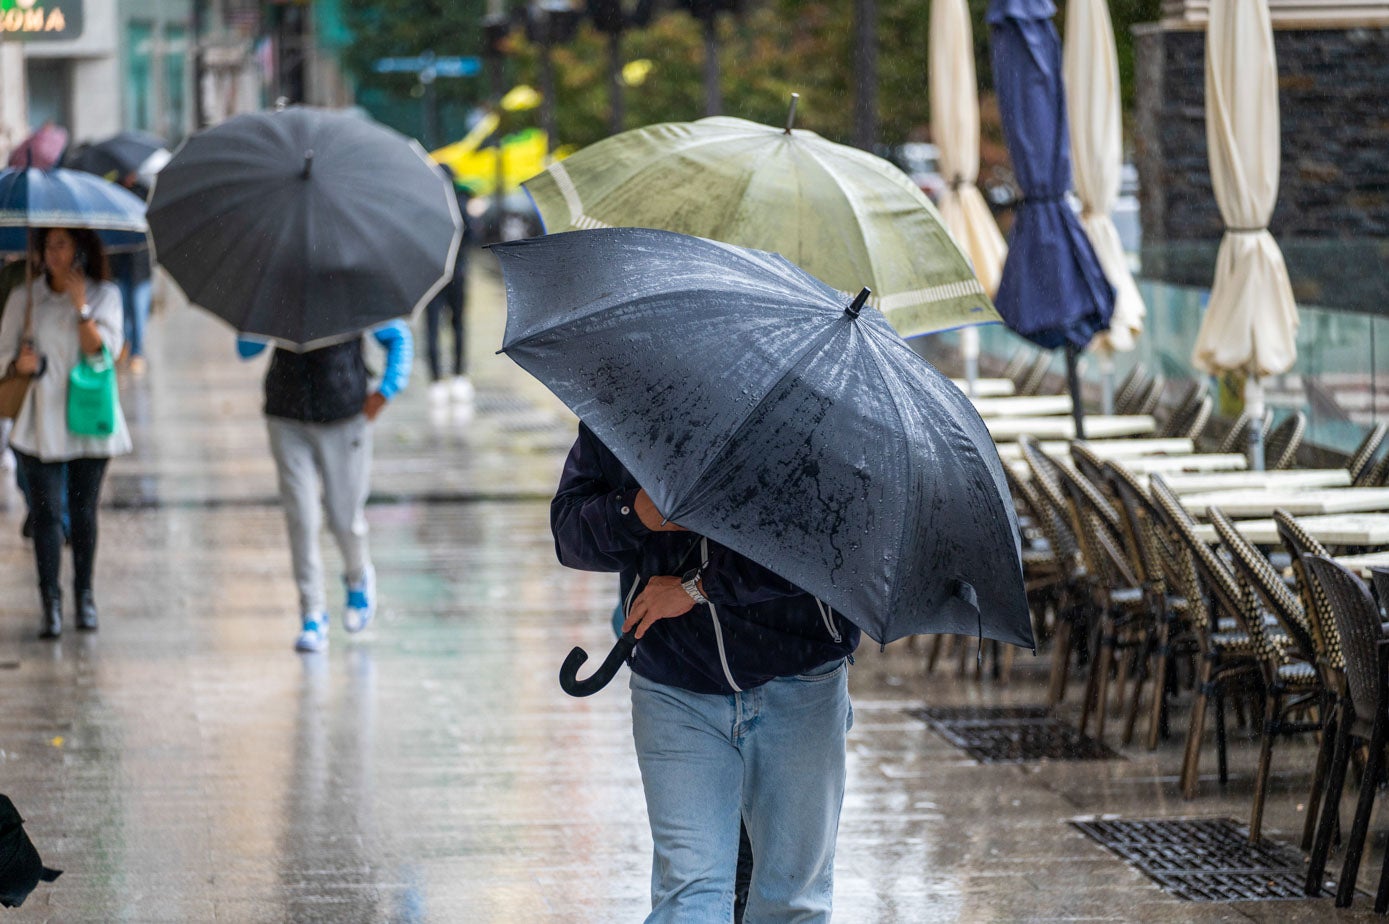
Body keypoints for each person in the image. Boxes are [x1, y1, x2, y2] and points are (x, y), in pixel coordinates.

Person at [551, 422, 859, 923]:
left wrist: (699, 586)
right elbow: (569, 534)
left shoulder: (813, 411)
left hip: (800, 678)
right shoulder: (626, 405)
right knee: (688, 896)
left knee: (791, 901)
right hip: (674, 683)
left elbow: (828, 540)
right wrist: (638, 513)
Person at [237, 320, 412, 652]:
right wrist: (267, 321)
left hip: (345, 415)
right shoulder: (276, 286)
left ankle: (358, 576)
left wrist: (386, 390)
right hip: (286, 417)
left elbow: (398, 338)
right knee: (302, 519)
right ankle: (312, 613)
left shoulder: (353, 283)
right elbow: (246, 350)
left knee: (344, 517)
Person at [0, 227, 130, 638]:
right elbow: (3, 353)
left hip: (88, 422)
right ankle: (50, 603)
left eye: (61, 244)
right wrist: (18, 365)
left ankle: (84, 596)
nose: (52, 254)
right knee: (45, 516)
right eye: (47, 245)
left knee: (84, 513)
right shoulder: (25, 297)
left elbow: (103, 353)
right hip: (39, 423)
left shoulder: (105, 295)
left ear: (80, 247)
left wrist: (81, 308)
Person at [424, 165, 474, 409]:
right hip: (456, 273)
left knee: (433, 328)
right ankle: (458, 375)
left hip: (433, 274)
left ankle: (436, 381)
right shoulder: (459, 200)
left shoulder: (425, 202)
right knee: (458, 325)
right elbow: (475, 235)